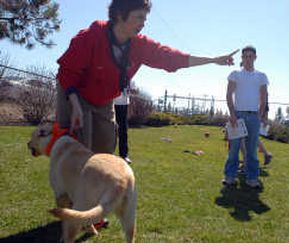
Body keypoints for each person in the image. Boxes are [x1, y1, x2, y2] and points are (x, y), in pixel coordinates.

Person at [56, 0, 238, 229]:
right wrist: (74, 104)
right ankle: (75, 207)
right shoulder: (91, 36)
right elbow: (67, 71)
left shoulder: (139, 45)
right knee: (79, 149)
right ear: (121, 16)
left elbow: (172, 58)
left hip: (103, 99)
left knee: (103, 150)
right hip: (75, 92)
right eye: (139, 17)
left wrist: (213, 60)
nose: (144, 23)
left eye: (145, 18)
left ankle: (88, 207)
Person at [223, 45, 269, 188]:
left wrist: (260, 115)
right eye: (245, 56)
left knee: (251, 151)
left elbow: (264, 97)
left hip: (254, 116)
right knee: (234, 149)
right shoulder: (235, 74)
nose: (248, 59)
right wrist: (232, 114)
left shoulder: (261, 76)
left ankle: (252, 178)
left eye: (251, 56)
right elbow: (229, 95)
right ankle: (230, 177)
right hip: (238, 116)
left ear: (255, 57)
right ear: (242, 58)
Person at [114, 81, 136, 164]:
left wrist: (131, 90)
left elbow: (133, 90)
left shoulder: (130, 77)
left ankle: (124, 155)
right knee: (110, 129)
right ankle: (107, 153)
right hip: (111, 103)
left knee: (123, 130)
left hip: (124, 105)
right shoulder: (114, 71)